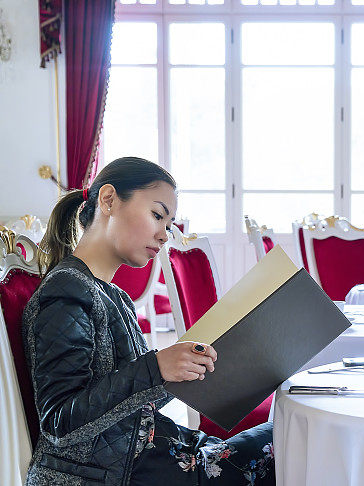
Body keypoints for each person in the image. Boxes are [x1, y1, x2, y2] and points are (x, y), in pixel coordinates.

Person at [22, 157, 275, 486]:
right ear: (109, 199)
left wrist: (187, 369)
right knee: (291, 444)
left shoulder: (114, 295)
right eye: (157, 215)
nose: (164, 235)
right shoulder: (67, 292)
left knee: (289, 435)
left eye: (168, 225)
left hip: (146, 453)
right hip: (112, 473)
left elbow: (131, 398)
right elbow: (60, 423)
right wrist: (157, 368)